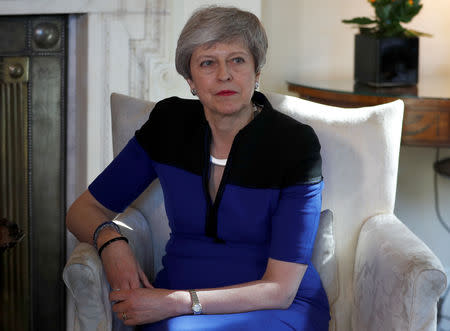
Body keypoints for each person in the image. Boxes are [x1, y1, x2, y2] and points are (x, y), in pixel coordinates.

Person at [66, 6, 330, 330]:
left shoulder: (295, 144)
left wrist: (174, 302)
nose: (224, 75)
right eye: (208, 63)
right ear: (190, 79)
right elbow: (82, 210)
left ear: (256, 70)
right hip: (176, 298)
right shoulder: (169, 125)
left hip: (270, 305)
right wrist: (111, 242)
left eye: (237, 60)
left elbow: (281, 290)